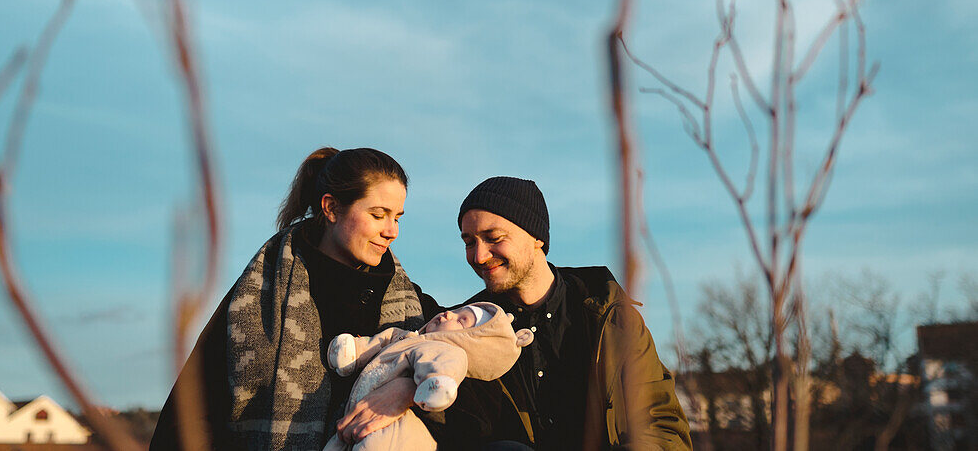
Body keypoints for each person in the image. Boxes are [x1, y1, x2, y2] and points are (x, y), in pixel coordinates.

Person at [149, 147, 443, 451]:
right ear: (330, 208)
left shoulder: (408, 303)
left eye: (397, 217)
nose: (391, 231)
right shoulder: (257, 296)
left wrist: (409, 388)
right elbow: (192, 411)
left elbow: (476, 350)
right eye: (378, 214)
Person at [455, 176, 692, 450]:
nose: (479, 256)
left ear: (537, 238)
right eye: (469, 242)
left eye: (493, 238)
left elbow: (663, 428)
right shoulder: (466, 330)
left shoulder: (610, 318)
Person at [321, 302, 534, 451]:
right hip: (352, 422)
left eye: (462, 321)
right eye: (457, 311)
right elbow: (380, 341)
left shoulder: (442, 348)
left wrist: (429, 387)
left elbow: (445, 365)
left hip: (397, 429)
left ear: (470, 341)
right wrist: (353, 351)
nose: (448, 314)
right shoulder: (408, 336)